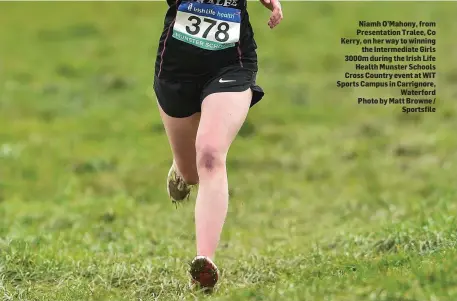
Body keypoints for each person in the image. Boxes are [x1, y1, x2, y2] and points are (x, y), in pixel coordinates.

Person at [153, 0, 283, 291]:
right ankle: (181, 169)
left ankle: (204, 262)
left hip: (231, 64)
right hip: (176, 68)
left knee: (211, 154)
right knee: (191, 174)